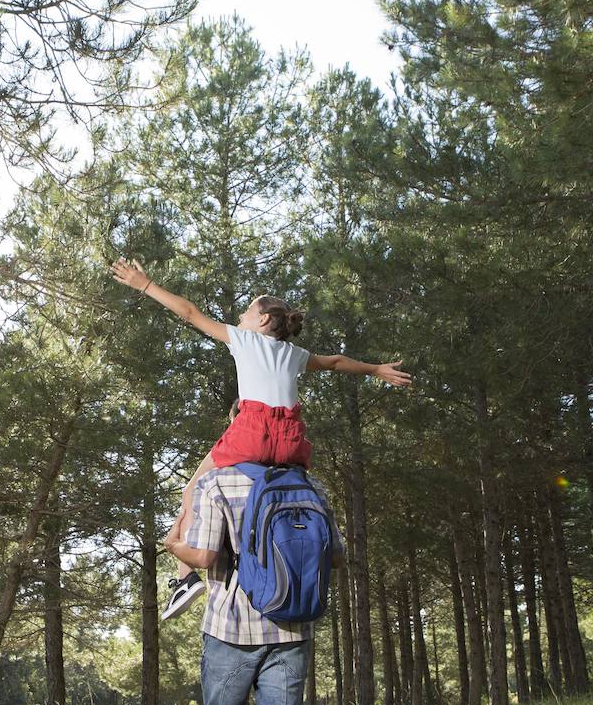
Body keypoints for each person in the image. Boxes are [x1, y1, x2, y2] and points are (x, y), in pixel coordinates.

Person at [109, 257, 411, 619]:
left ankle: (186, 577)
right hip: (291, 441)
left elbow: (189, 312)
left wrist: (144, 284)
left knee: (194, 488)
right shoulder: (295, 354)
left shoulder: (246, 339)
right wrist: (376, 369)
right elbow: (335, 362)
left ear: (263, 320)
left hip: (254, 432)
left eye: (245, 313)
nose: (238, 320)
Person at [165, 462, 343, 705]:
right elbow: (336, 557)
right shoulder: (310, 485)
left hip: (231, 629)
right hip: (293, 629)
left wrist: (175, 547)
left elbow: (203, 555)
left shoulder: (217, 482)